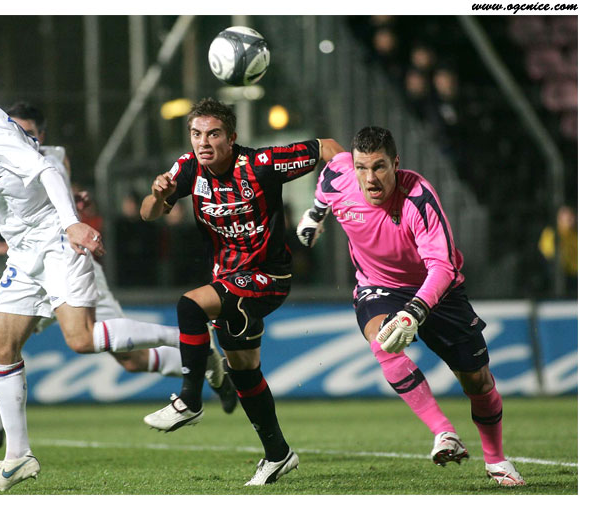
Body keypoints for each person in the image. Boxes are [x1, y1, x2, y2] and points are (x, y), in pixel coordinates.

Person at [0, 20, 223, 493]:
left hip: (55, 240)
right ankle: (18, 458)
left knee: (82, 339)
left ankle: (190, 341)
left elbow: (46, 170)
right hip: (24, 251)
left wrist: (72, 223)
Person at [0, 103, 236, 451]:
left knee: (131, 360)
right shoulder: (5, 155)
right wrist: (5, 246)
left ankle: (200, 353)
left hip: (68, 263)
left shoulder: (50, 160)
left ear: (41, 135)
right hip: (33, 268)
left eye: (27, 132)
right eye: (15, 130)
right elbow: (29, 223)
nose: (20, 137)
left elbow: (53, 215)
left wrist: (67, 205)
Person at [296, 126, 525, 487]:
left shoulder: (418, 196)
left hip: (438, 289)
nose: (370, 179)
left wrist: (416, 310)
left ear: (396, 164)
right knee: (382, 341)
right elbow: (329, 163)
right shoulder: (339, 177)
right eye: (362, 168)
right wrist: (315, 215)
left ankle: (496, 460)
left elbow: (443, 267)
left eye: (379, 167)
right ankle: (444, 432)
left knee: (478, 382)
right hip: (378, 286)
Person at [140, 97, 343, 486]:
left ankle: (189, 399)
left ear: (231, 138)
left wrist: (327, 203)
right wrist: (160, 194)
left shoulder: (261, 164)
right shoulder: (188, 169)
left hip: (268, 277)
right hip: (229, 280)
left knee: (189, 306)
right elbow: (148, 213)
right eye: (196, 134)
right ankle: (278, 454)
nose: (203, 142)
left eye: (213, 134)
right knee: (244, 371)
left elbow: (329, 148)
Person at [538, 204, 577, 297]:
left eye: (572, 215)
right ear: (559, 218)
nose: (571, 218)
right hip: (560, 277)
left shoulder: (576, 234)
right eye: (567, 216)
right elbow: (549, 254)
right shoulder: (551, 233)